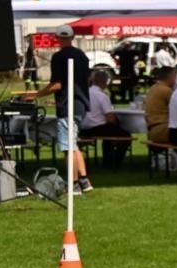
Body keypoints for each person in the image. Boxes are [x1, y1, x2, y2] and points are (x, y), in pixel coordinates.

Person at [35, 26, 93, 195]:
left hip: (67, 105)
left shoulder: (59, 56)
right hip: (81, 104)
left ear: (58, 38)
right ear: (73, 37)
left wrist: (37, 94)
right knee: (74, 145)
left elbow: (58, 84)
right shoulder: (82, 55)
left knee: (68, 148)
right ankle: (84, 180)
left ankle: (73, 185)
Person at [81, 69, 129, 168]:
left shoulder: (85, 92)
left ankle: (108, 161)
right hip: (96, 127)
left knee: (109, 133)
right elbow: (110, 118)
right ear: (106, 82)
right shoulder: (102, 96)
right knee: (125, 135)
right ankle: (115, 162)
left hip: (83, 127)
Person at [144, 65, 177, 148]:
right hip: (164, 130)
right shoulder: (166, 91)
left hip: (153, 130)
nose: (176, 79)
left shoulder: (153, 88)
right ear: (171, 77)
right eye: (175, 76)